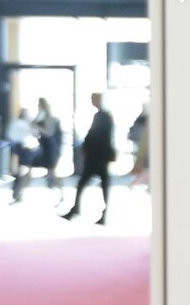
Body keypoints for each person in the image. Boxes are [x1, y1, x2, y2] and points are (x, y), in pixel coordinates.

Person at [62, 92, 117, 225]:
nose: (92, 102)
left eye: (93, 99)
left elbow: (97, 136)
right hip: (98, 156)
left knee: (91, 184)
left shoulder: (103, 117)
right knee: (97, 184)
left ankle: (79, 210)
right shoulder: (102, 116)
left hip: (97, 157)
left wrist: (87, 147)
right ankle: (78, 210)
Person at [16, 98, 62, 200]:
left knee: (51, 173)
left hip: (50, 149)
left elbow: (49, 133)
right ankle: (19, 195)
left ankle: (61, 196)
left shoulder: (50, 119)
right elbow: (34, 128)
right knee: (29, 170)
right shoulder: (41, 117)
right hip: (43, 148)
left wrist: (37, 127)